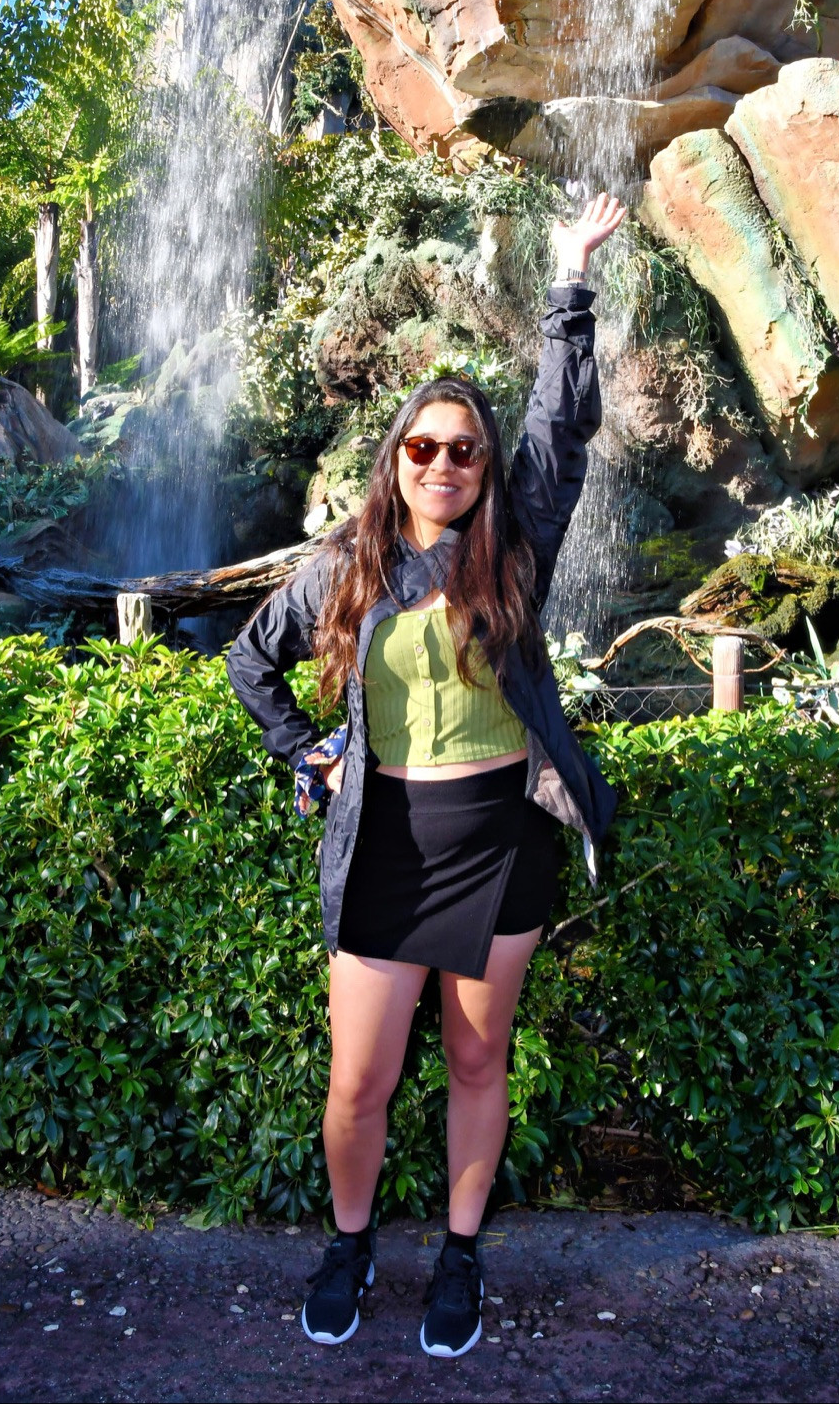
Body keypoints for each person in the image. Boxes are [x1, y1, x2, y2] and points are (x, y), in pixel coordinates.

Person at [226, 191, 626, 1359]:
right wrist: (306, 748)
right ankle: (349, 1243)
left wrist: (570, 281)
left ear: (485, 466)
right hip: (387, 844)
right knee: (359, 1081)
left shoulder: (515, 544)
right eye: (423, 446)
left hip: (503, 838)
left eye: (463, 448)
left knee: (475, 1059)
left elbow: (561, 426)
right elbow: (251, 660)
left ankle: (460, 1254)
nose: (443, 462)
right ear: (395, 460)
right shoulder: (346, 567)